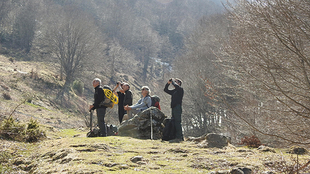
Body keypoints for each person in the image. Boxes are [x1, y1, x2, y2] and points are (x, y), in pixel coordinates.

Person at [164, 78, 184, 142]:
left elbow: (177, 86)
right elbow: (165, 90)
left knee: (177, 122)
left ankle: (179, 136)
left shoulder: (180, 90)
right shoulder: (174, 91)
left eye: (176, 82)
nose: (174, 83)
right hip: (173, 107)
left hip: (177, 107)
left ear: (179, 83)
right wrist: (168, 83)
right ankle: (174, 135)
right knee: (173, 121)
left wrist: (173, 82)